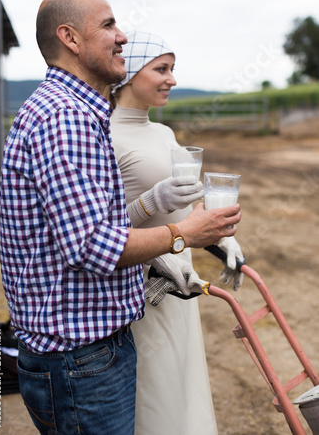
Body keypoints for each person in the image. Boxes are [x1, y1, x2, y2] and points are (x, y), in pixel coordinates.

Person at [0, 0, 241, 435]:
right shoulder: (65, 118)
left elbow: (87, 230)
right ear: (70, 38)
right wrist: (183, 233)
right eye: (108, 25)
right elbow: (93, 245)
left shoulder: (75, 113)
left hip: (84, 349)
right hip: (80, 358)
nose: (122, 36)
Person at [110, 30, 244, 435]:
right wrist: (152, 204)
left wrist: (221, 236)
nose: (171, 79)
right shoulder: (106, 136)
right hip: (145, 287)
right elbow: (102, 232)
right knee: (157, 394)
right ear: (131, 72)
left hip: (180, 282)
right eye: (161, 69)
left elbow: (187, 204)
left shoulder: (164, 133)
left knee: (184, 385)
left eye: (173, 70)